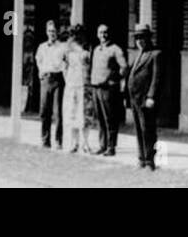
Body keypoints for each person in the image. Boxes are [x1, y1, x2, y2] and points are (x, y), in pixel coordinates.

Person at [127, 23, 161, 170]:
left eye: (143, 38)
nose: (140, 41)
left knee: (148, 130)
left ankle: (150, 161)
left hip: (145, 99)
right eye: (137, 38)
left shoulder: (155, 54)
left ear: (149, 38)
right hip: (135, 98)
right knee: (139, 129)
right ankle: (141, 158)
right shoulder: (137, 54)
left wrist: (151, 96)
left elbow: (156, 77)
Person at [90, 22, 127, 156]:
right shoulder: (96, 49)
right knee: (99, 118)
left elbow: (124, 67)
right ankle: (102, 145)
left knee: (110, 118)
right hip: (96, 88)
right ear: (97, 34)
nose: (103, 35)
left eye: (105, 32)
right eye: (100, 32)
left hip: (108, 89)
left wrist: (114, 80)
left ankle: (111, 147)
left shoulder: (115, 49)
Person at [35, 20, 68, 148]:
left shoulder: (62, 47)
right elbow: (38, 60)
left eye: (53, 31)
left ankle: (58, 141)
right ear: (46, 32)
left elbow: (67, 62)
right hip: (46, 80)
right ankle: (45, 140)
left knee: (58, 112)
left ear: (57, 32)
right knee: (44, 111)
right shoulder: (42, 47)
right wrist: (41, 72)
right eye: (49, 31)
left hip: (58, 79)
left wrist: (64, 71)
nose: (51, 34)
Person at [62, 25, 91, 152]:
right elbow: (64, 68)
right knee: (73, 114)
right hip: (72, 86)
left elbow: (90, 68)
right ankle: (74, 143)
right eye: (73, 34)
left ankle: (85, 143)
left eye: (78, 34)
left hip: (84, 86)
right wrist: (68, 81)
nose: (75, 37)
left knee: (85, 115)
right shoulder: (67, 52)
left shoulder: (87, 52)